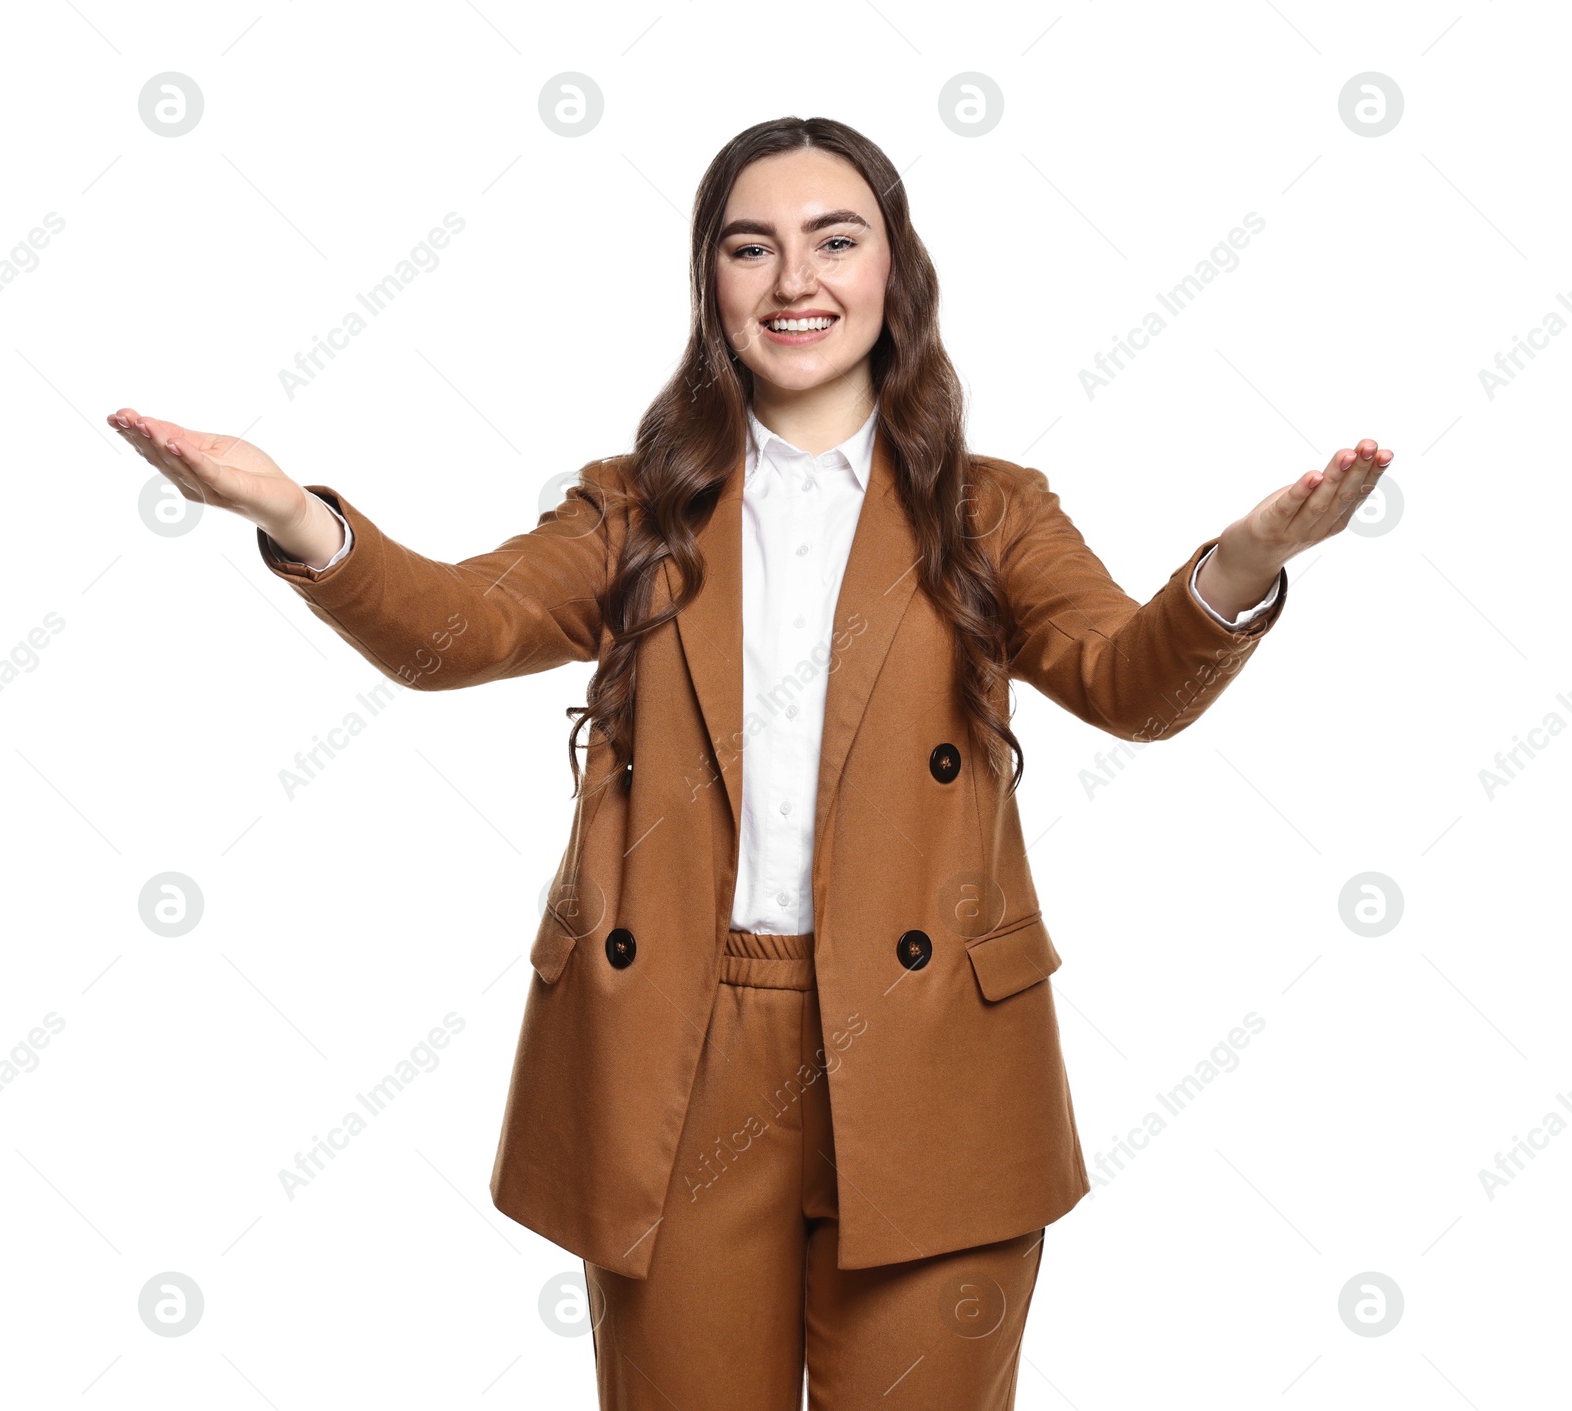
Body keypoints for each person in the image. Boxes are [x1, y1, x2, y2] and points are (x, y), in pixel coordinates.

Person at [107, 115, 1391, 1410]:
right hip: (680, 1045)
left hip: (933, 1051)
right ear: (710, 284)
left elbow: (1129, 682)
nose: (796, 282)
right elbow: (458, 629)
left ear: (896, 271)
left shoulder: (990, 512)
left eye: (837, 240)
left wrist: (1240, 568)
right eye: (750, 247)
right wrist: (295, 516)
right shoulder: (634, 508)